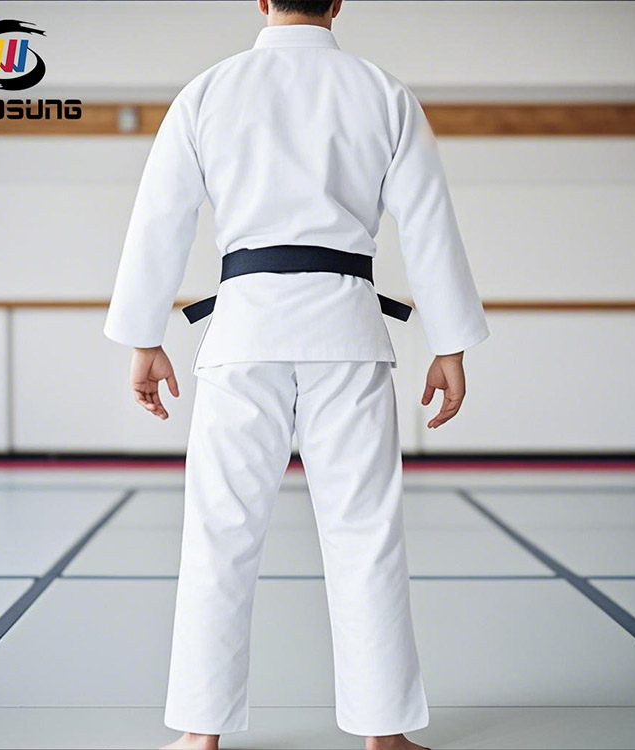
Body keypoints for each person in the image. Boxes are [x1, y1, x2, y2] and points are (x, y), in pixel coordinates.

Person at [103, 0, 490, 748]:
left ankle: (200, 734)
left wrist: (144, 337)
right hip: (347, 334)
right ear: (338, 1)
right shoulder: (382, 93)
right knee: (364, 534)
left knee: (219, 535)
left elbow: (160, 219)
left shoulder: (208, 92)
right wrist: (449, 344)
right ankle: (384, 732)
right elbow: (428, 223)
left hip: (243, 334)